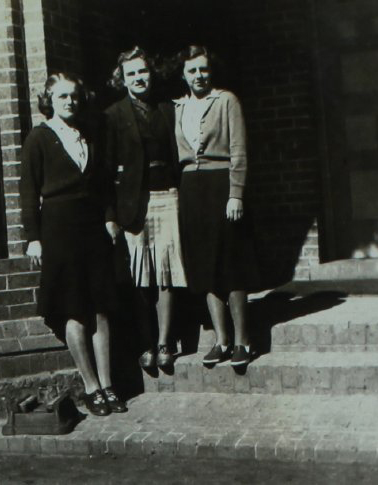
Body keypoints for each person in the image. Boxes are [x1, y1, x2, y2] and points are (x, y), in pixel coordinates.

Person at [19, 72, 126, 415]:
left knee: (101, 307)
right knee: (74, 308)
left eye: (75, 96)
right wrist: (33, 238)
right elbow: (28, 192)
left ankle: (108, 386)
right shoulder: (39, 138)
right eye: (63, 96)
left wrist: (110, 217)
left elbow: (103, 183)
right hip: (59, 230)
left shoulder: (89, 136)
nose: (70, 102)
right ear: (49, 99)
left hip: (92, 229)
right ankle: (91, 387)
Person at [172, 45, 261, 367]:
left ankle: (243, 341)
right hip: (192, 190)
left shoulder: (226, 101)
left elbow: (238, 150)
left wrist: (236, 193)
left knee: (231, 262)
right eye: (192, 70)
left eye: (203, 69)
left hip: (221, 184)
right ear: (183, 74)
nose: (199, 75)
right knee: (204, 265)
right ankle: (221, 340)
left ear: (212, 71)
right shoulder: (178, 107)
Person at [104, 47, 186, 369]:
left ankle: (166, 340)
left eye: (143, 72)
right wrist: (110, 215)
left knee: (166, 272)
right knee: (140, 277)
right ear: (122, 80)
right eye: (131, 74)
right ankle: (146, 341)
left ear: (151, 73)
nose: (138, 78)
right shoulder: (113, 116)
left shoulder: (167, 110)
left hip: (167, 195)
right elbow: (106, 171)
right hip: (133, 204)